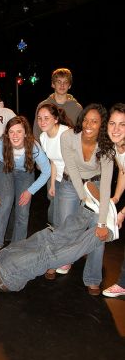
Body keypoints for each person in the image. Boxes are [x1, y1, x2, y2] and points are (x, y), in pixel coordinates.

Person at [58, 103, 115, 294]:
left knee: (98, 230)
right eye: (86, 120)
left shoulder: (107, 146)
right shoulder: (67, 137)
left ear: (102, 125)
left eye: (95, 121)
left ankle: (93, 277)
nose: (88, 125)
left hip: (96, 184)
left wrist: (102, 221)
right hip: (70, 182)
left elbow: (106, 185)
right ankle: (63, 260)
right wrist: (84, 197)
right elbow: (72, 169)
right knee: (66, 225)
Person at [0, 115, 51, 251]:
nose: (15, 135)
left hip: (25, 173)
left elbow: (46, 171)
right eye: (11, 132)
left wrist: (30, 191)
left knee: (23, 209)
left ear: (26, 133)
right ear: (7, 133)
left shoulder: (34, 147)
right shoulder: (0, 144)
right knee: (6, 200)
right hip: (5, 169)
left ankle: (17, 247)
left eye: (19, 131)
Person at [37, 103, 74, 228]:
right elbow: (53, 161)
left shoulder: (67, 133)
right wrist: (52, 184)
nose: (42, 122)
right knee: (53, 216)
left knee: (63, 220)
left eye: (46, 118)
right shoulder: (43, 137)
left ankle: (65, 245)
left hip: (71, 181)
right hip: (58, 180)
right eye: (39, 118)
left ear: (56, 119)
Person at [102, 103, 125, 297]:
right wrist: (116, 197)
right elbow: (124, 173)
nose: (116, 129)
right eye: (112, 123)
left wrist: (123, 212)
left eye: (122, 124)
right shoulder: (117, 147)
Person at [33, 68, 82, 142]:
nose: (62, 85)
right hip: (46, 150)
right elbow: (36, 132)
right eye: (59, 82)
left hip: (69, 150)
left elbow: (80, 133)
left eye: (65, 82)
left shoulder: (77, 108)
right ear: (53, 84)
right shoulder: (43, 106)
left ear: (69, 85)